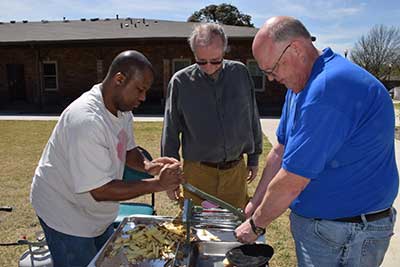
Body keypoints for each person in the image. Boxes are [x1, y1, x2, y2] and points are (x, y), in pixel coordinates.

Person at [235, 16, 398, 267]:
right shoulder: (300, 85)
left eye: (272, 69)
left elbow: (292, 181)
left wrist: (256, 224)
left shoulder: (329, 88)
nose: (270, 79)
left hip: (349, 233)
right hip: (326, 229)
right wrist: (255, 203)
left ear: (297, 49)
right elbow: (280, 151)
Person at [30, 50, 184, 267]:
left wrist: (149, 167)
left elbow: (128, 149)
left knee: (107, 261)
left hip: (93, 212)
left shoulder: (122, 109)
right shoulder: (86, 121)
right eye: (140, 90)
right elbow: (100, 191)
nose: (143, 97)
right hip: (64, 212)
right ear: (119, 79)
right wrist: (158, 184)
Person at [161, 23, 262, 209]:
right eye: (201, 61)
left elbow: (252, 117)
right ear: (194, 55)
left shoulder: (240, 74)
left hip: (235, 173)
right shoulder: (180, 82)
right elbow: (171, 131)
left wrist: (254, 158)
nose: (208, 67)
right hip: (197, 173)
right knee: (197, 231)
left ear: (224, 51)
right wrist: (170, 176)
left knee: (234, 228)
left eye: (215, 61)